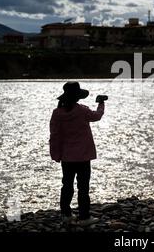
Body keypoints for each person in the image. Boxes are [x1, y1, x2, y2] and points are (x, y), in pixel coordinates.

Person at [49, 81, 105, 224]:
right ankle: (84, 217)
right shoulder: (82, 111)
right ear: (77, 98)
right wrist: (101, 103)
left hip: (66, 157)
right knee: (83, 187)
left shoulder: (57, 113)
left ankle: (66, 214)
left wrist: (55, 154)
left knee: (67, 185)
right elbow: (97, 116)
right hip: (83, 156)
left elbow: (54, 135)